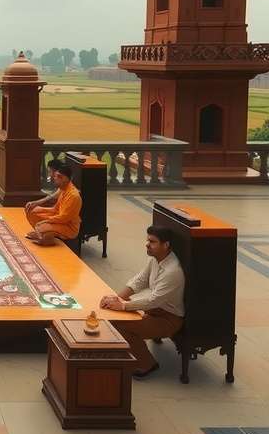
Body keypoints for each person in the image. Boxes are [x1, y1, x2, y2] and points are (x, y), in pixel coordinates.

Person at [100, 226, 185, 378]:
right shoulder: (155, 259)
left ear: (166, 245)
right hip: (154, 310)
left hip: (168, 319)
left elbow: (154, 300)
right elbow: (139, 281)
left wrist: (123, 306)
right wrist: (117, 299)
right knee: (116, 314)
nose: (147, 244)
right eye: (147, 240)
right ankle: (129, 352)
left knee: (119, 324)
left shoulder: (173, 271)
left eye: (152, 242)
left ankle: (146, 364)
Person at [24, 161, 81, 246]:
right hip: (58, 219)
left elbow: (64, 218)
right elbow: (55, 209)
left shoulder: (73, 196)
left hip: (68, 227)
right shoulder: (63, 189)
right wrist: (38, 207)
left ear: (65, 179)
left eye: (58, 177)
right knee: (31, 211)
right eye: (55, 176)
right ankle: (42, 234)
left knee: (43, 227)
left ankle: (45, 236)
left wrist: (45, 221)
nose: (54, 178)